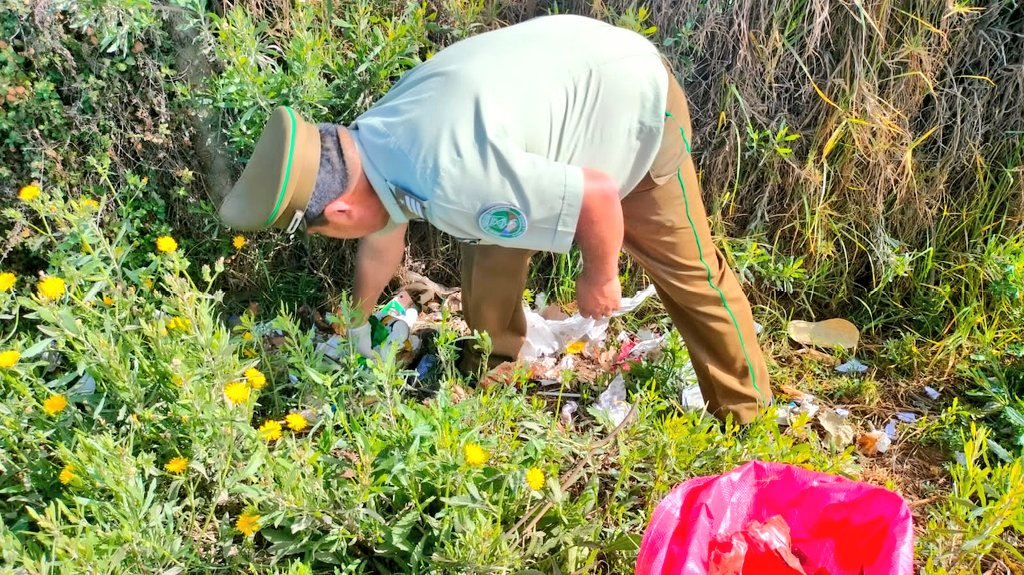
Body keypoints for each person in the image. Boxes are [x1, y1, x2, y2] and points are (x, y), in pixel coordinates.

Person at [218, 14, 772, 424]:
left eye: (329, 231)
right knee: (489, 247)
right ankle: (496, 366)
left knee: (690, 271)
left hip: (632, 105)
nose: (343, 235)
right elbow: (380, 241)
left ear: (339, 210)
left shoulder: (453, 178)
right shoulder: (372, 143)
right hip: (555, 101)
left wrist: (599, 277)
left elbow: (599, 195)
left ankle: (746, 418)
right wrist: (353, 324)